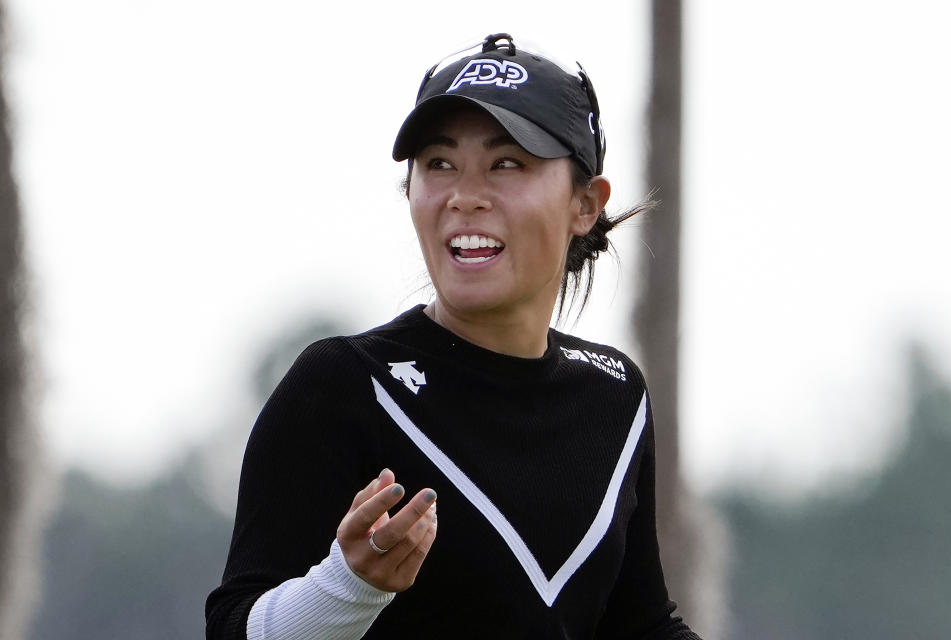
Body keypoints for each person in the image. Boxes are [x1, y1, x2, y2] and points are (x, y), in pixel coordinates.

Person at [206, 33, 702, 640]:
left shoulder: (616, 396)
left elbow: (641, 628)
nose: (465, 197)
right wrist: (347, 590)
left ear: (586, 204)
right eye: (438, 165)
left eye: (507, 164)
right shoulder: (342, 386)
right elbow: (233, 629)